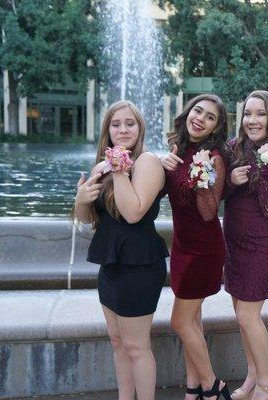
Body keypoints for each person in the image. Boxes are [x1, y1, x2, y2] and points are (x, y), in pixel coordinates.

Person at [74, 100, 169, 400]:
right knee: (117, 341)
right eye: (116, 124)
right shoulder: (101, 166)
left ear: (140, 128)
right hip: (111, 264)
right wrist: (80, 199)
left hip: (139, 265)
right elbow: (90, 218)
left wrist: (118, 170)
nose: (123, 129)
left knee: (136, 345)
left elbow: (133, 213)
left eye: (130, 123)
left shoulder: (147, 162)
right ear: (108, 129)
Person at [224, 90, 268, 400]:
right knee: (242, 316)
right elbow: (216, 195)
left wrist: (266, 166)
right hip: (234, 241)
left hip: (264, 243)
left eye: (260, 114)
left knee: (247, 316)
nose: (251, 120)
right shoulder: (232, 148)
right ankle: (252, 379)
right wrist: (231, 181)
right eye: (248, 114)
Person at [160, 94, 232, 400]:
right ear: (188, 112)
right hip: (181, 245)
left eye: (210, 117)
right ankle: (193, 389)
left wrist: (201, 177)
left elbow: (207, 212)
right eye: (198, 111)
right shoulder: (177, 150)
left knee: (179, 321)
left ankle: (213, 385)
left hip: (204, 249)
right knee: (193, 321)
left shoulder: (214, 157)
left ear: (215, 127)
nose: (200, 118)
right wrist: (161, 165)